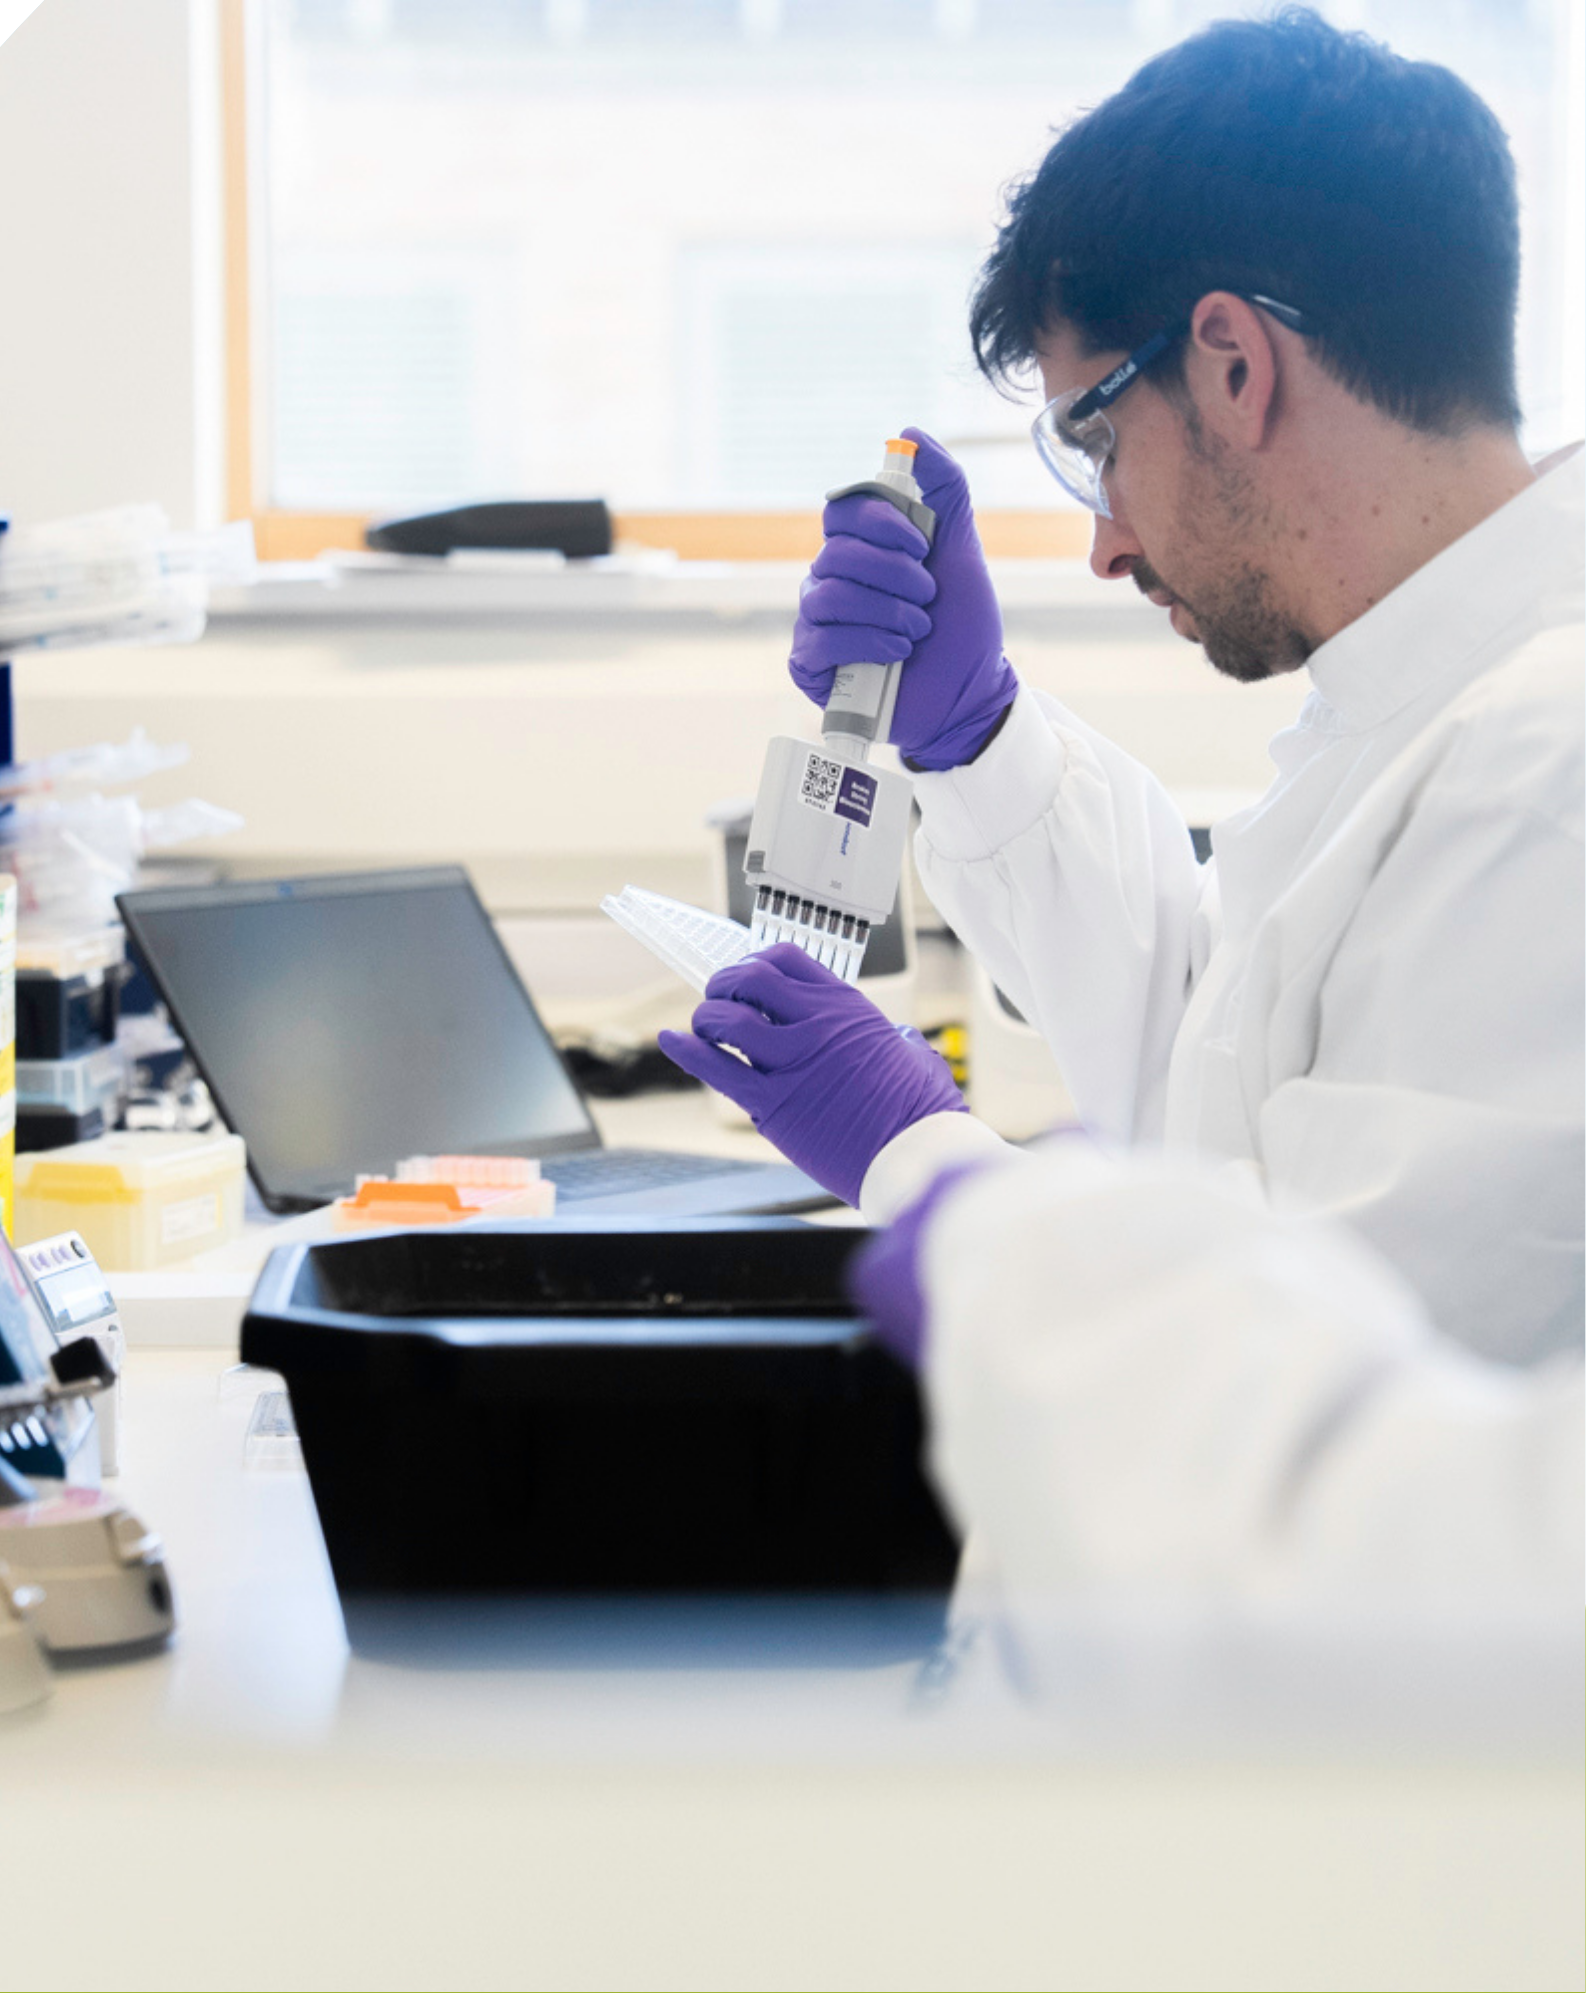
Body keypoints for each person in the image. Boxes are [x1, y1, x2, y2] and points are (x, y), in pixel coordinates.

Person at [660, 8, 1583, 1603]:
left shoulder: (1544, 766)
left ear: (1232, 363)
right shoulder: (1428, 703)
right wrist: (972, 735)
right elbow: (1226, 1059)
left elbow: (1301, 1459)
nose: (1103, 544)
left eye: (1095, 437)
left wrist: (933, 1173)